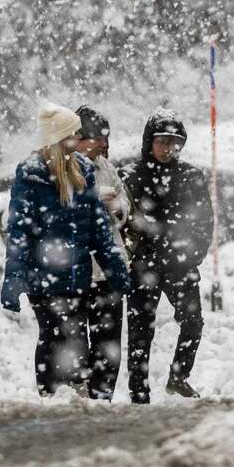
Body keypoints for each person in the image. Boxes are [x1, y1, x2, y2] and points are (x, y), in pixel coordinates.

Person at [0, 102, 132, 397]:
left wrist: (116, 270)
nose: (78, 140)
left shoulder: (83, 171)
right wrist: (13, 280)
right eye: (72, 135)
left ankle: (73, 400)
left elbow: (99, 230)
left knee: (75, 344)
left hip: (77, 278)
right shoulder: (31, 176)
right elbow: (19, 233)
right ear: (57, 139)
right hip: (44, 278)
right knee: (53, 338)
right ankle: (51, 395)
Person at [121, 109, 212, 402]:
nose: (167, 147)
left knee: (193, 321)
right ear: (149, 141)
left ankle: (179, 377)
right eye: (161, 141)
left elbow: (204, 222)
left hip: (180, 264)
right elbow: (123, 221)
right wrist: (133, 255)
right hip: (143, 265)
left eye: (174, 142)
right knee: (140, 331)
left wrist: (192, 256)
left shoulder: (191, 176)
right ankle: (139, 391)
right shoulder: (132, 176)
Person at [75, 105, 131, 401]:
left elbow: (124, 207)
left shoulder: (107, 168)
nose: (105, 144)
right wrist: (95, 203)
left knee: (108, 340)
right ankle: (77, 395)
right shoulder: (63, 168)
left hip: (107, 267)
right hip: (76, 267)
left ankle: (103, 395)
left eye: (106, 138)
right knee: (74, 339)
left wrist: (118, 209)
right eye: (99, 138)